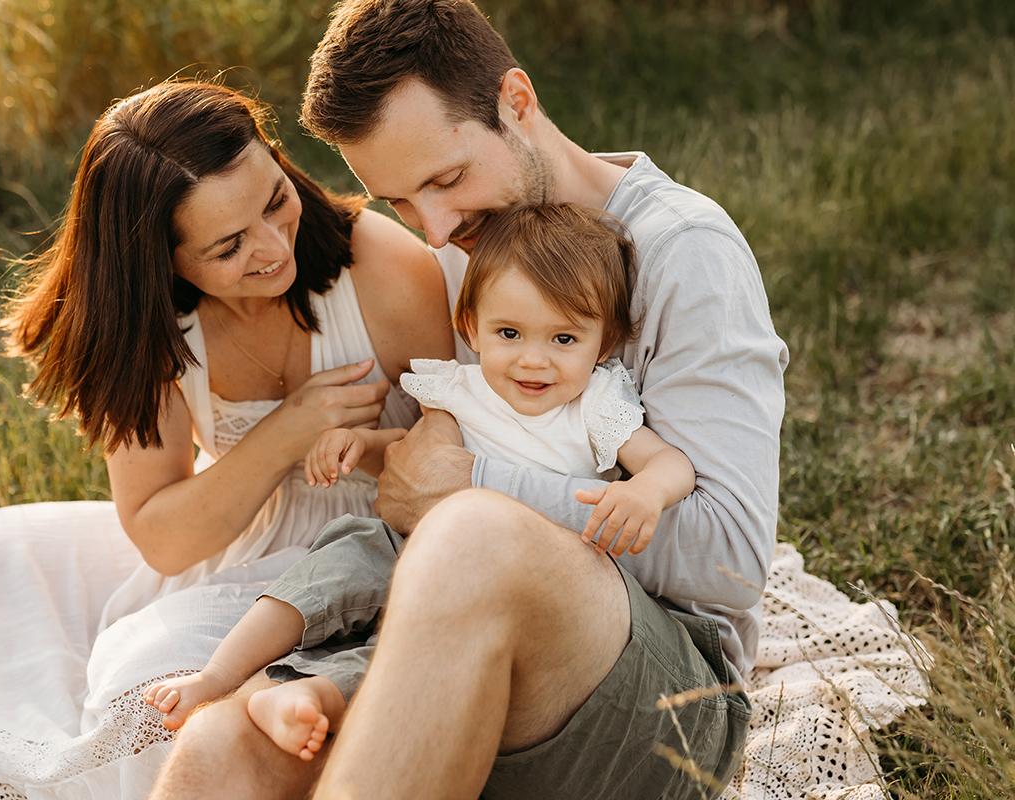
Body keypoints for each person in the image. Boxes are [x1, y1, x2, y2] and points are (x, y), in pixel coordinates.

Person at [150, 1, 788, 799]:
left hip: (660, 687)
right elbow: (417, 464)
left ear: (516, 102)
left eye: (448, 179)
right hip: (445, 632)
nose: (437, 226)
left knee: (474, 533)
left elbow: (728, 559)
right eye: (401, 204)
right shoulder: (464, 250)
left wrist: (475, 491)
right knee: (223, 745)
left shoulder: (686, 252)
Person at [0, 80, 456, 798]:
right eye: (228, 246)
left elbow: (467, 443)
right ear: (160, 259)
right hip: (233, 548)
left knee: (169, 715)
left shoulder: (377, 266)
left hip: (383, 551)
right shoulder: (152, 330)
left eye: (276, 200)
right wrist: (289, 430)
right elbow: (163, 537)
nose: (276, 246)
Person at [141, 203, 697, 751]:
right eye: (510, 333)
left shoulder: (594, 406)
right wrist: (362, 445)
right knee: (334, 562)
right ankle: (217, 677)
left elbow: (671, 463)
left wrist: (645, 490)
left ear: (604, 342)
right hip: (410, 538)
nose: (533, 360)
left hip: (509, 574)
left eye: (564, 339)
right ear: (472, 328)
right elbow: (414, 459)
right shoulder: (461, 392)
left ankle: (316, 696)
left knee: (410, 644)